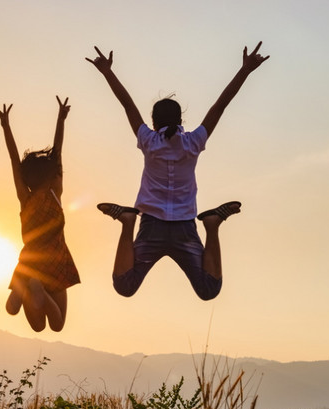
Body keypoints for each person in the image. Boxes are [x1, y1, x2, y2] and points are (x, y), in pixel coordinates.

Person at [86, 42, 269, 300]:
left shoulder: (149, 141)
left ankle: (128, 221)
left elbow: (128, 106)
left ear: (154, 122)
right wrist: (245, 70)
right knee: (209, 289)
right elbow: (220, 106)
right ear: (181, 120)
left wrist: (107, 72)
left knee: (124, 285)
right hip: (184, 227)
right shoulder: (193, 142)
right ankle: (212, 224)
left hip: (151, 226)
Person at [0, 96, 80, 332]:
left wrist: (5, 126)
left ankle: (24, 287)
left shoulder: (26, 198)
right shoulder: (55, 192)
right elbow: (58, 153)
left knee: (34, 325)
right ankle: (37, 290)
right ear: (53, 174)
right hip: (56, 261)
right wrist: (61, 119)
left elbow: (14, 161)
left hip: (29, 262)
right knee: (57, 326)